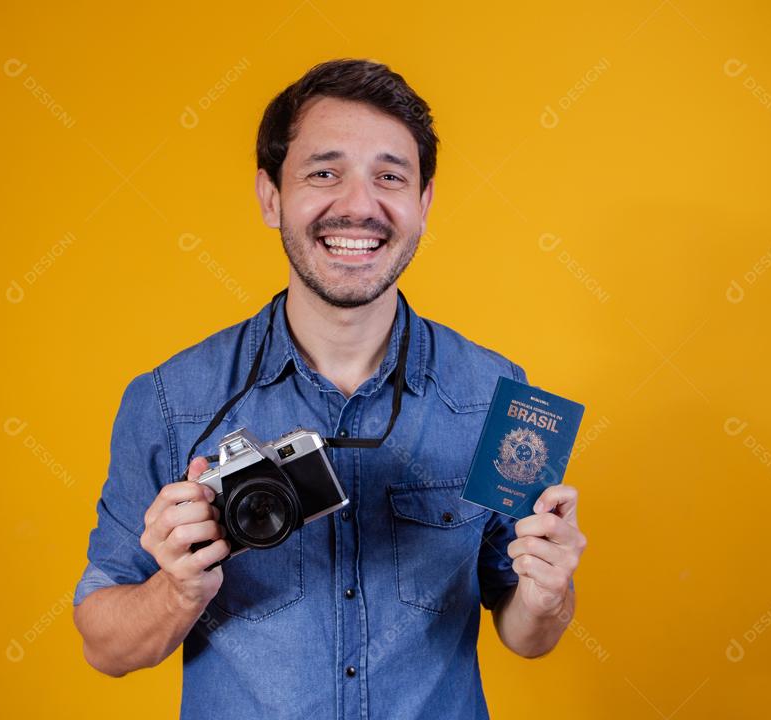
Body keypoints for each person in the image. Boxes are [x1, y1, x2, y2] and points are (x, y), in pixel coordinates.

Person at [72, 58, 586, 719]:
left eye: (390, 177)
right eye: (324, 172)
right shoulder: (171, 402)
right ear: (270, 196)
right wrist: (177, 590)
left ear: (423, 205)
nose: (358, 206)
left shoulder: (499, 395)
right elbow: (106, 648)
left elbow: (526, 634)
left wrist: (549, 598)